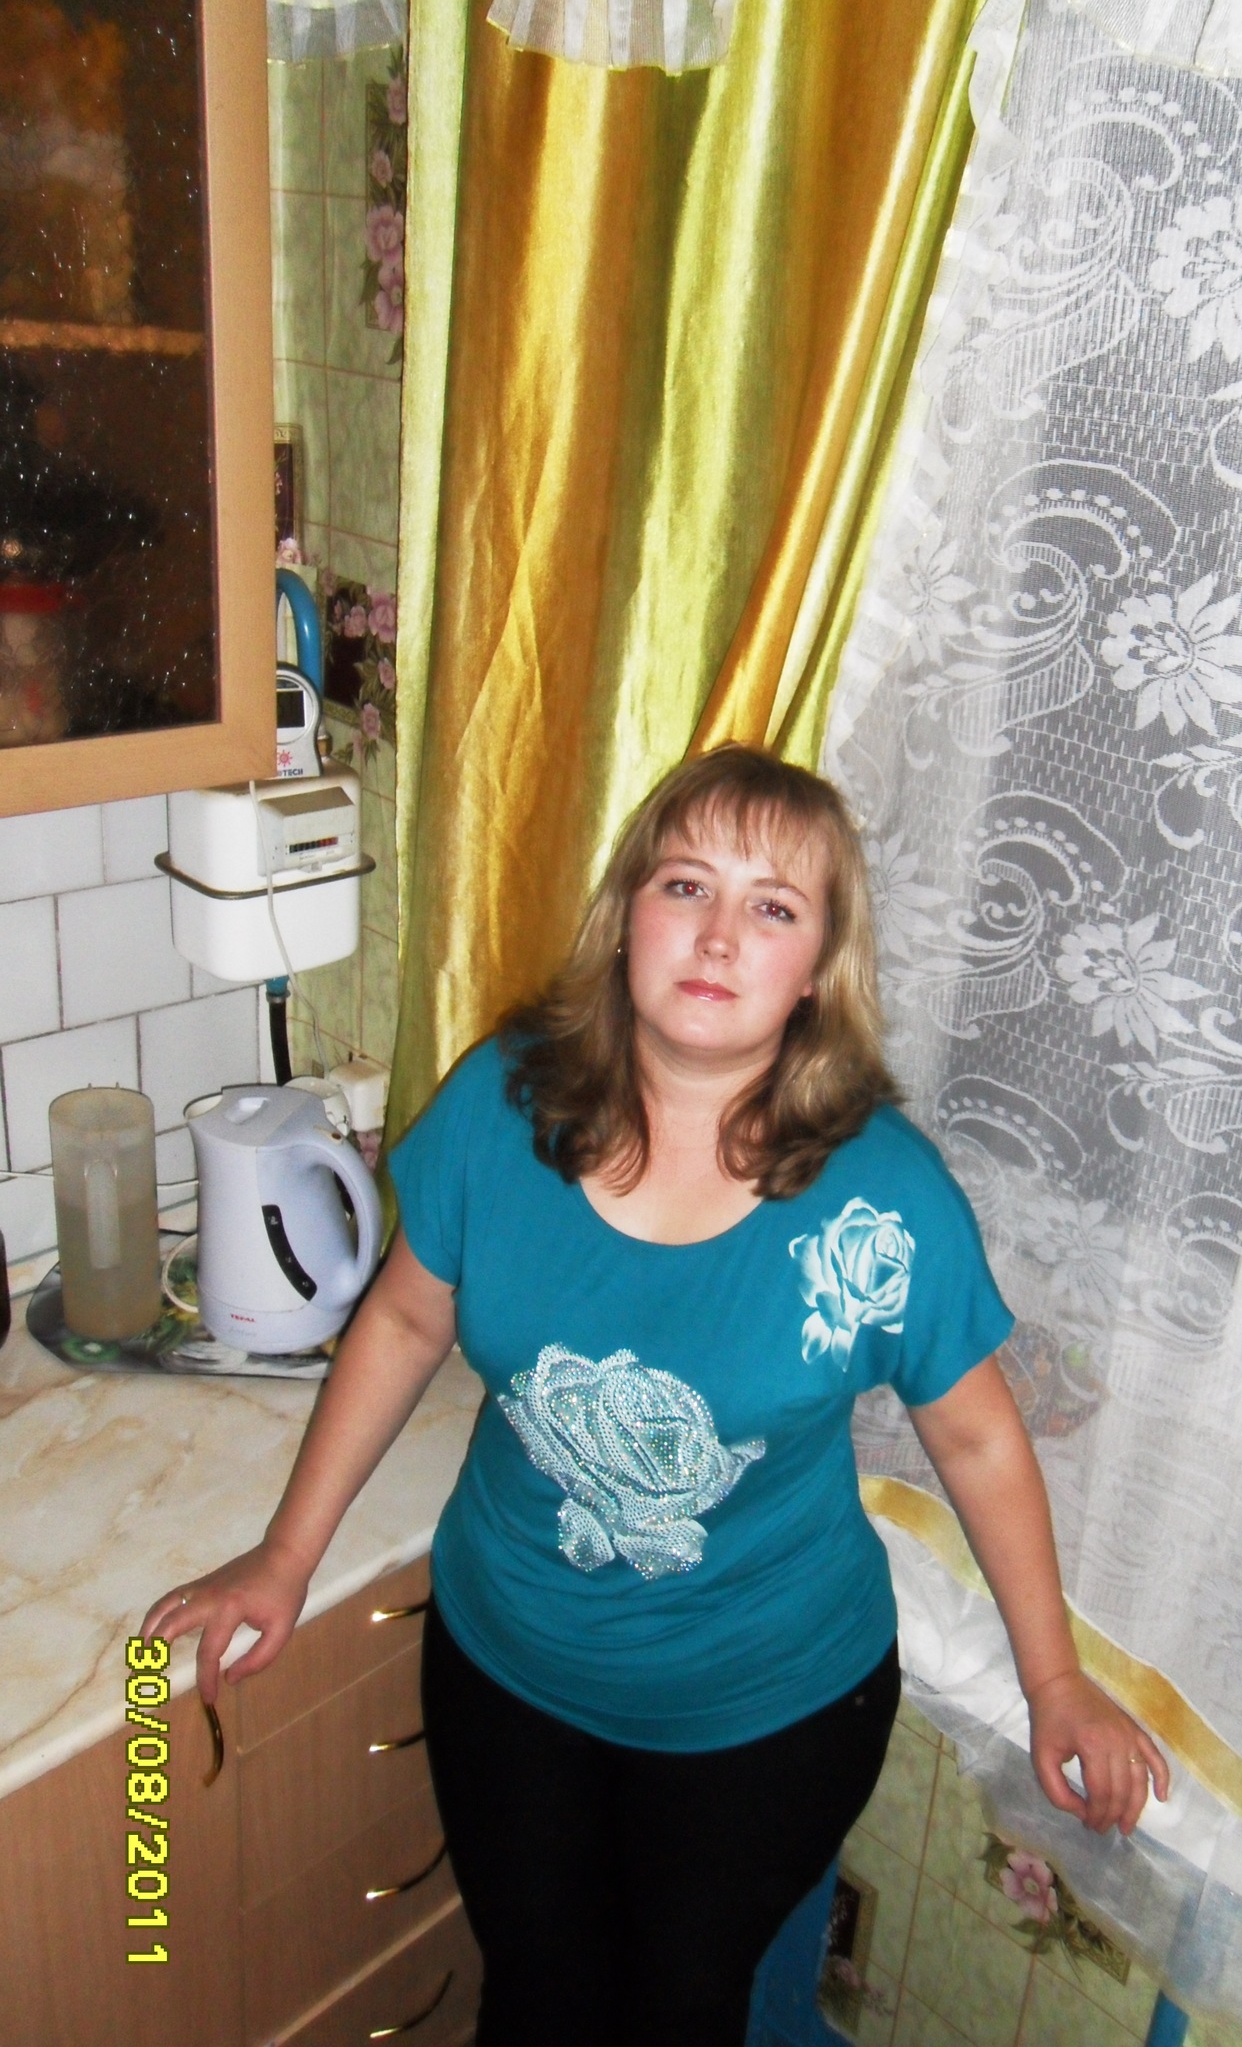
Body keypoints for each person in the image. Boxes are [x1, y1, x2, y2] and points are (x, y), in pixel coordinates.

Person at [143, 745, 1168, 2047]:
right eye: (686, 885)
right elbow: (403, 1317)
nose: (719, 933)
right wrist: (287, 1558)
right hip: (508, 1669)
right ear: (628, 914)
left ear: (818, 968)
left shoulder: (884, 1201)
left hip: (766, 1709)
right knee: (536, 2001)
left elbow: (974, 1438)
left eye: (773, 907)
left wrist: (1055, 1680)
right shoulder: (503, 1104)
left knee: (677, 2015)